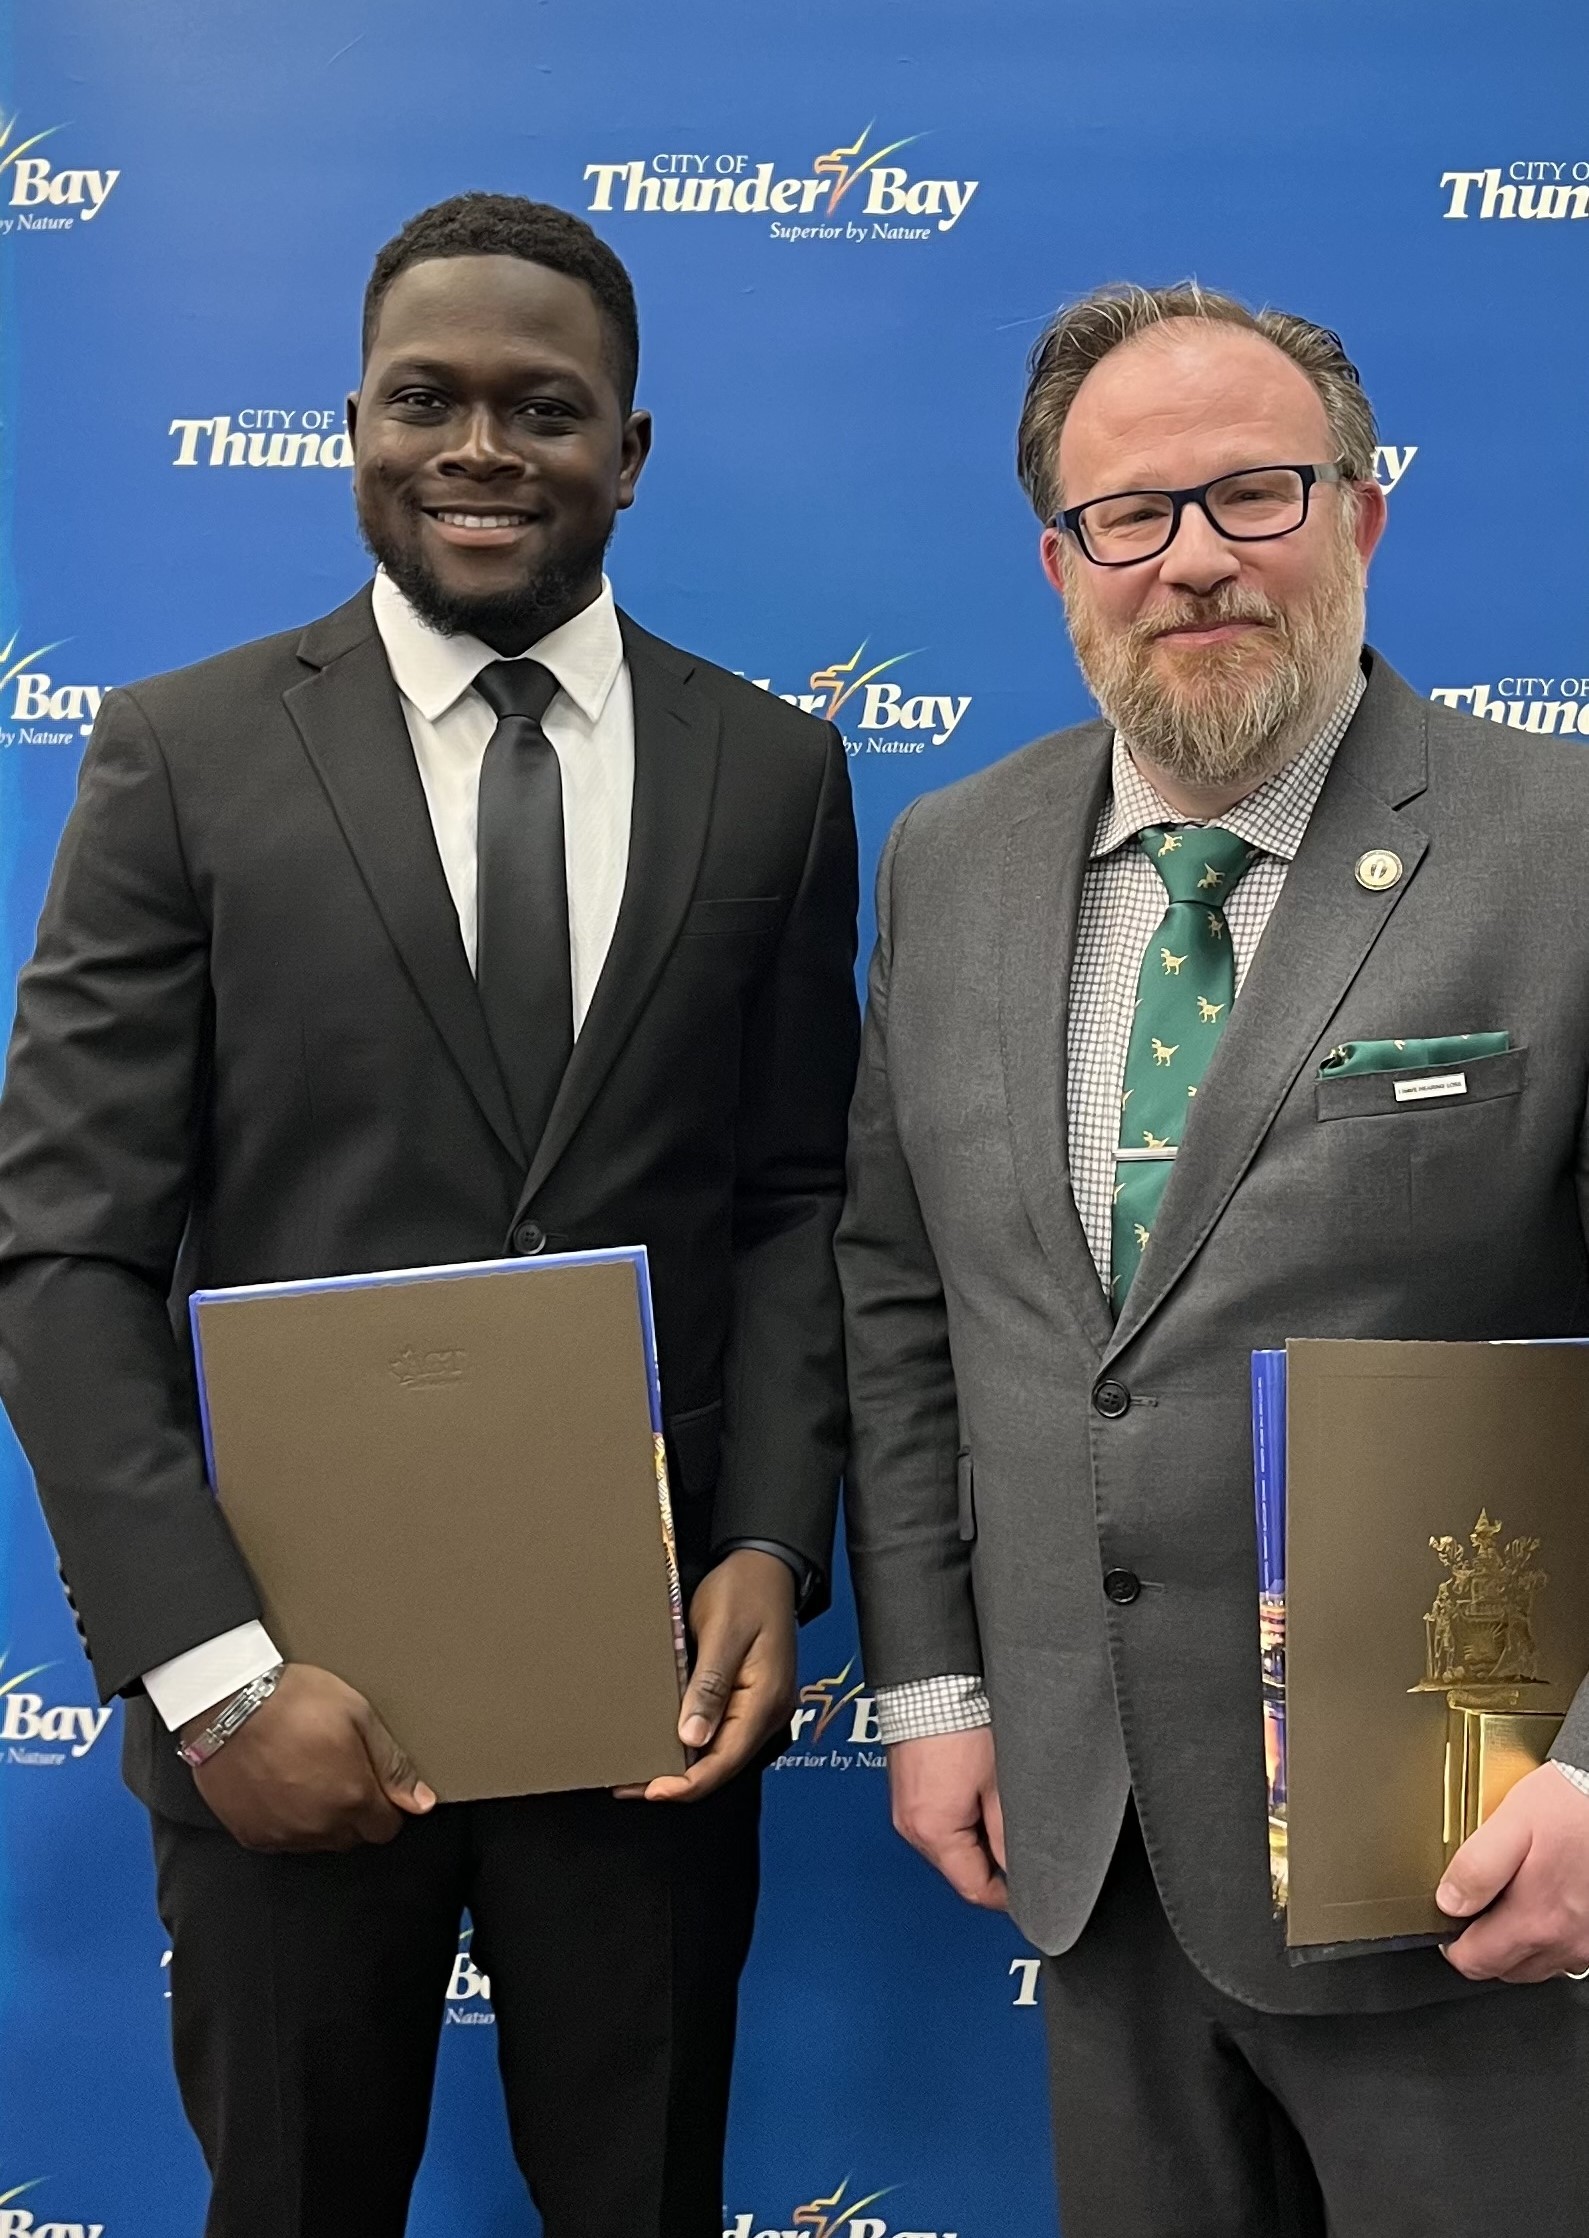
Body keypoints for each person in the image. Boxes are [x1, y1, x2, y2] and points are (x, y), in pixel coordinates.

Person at [0, 192, 858, 2238]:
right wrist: (213, 1676)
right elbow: (64, 1248)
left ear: (626, 452)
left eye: (542, 409)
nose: (481, 448)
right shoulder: (180, 755)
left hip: (646, 1707)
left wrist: (767, 1538)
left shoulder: (774, 771)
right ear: (354, 430)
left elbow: (794, 1197)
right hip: (286, 1700)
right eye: (424, 401)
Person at [836, 280, 1589, 2237]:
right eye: (1130, 515)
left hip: (1469, 1854)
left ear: (1362, 511)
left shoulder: (1563, 847)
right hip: (1095, 1856)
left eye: (1254, 494)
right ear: (1059, 562)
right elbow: (905, 1300)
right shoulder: (952, 859)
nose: (1193, 560)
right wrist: (934, 1691)